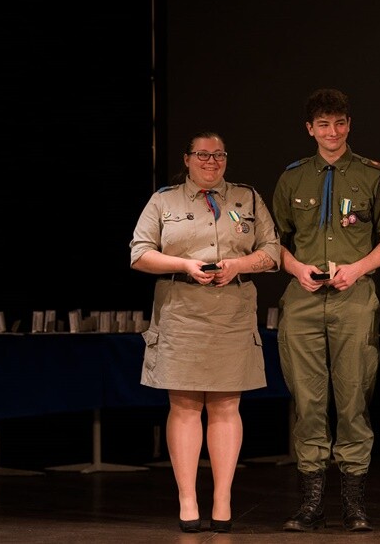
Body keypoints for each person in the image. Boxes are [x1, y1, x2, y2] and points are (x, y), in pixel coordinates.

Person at [129, 131, 281, 534]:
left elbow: (272, 252)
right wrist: (185, 265)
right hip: (181, 311)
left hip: (232, 311)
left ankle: (222, 499)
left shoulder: (247, 198)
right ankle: (188, 500)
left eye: (218, 155)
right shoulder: (164, 200)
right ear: (187, 159)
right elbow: (139, 254)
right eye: (203, 155)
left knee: (226, 406)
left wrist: (238, 266)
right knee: (184, 406)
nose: (211, 162)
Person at [272, 88, 380, 532]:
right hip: (303, 300)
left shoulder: (372, 174)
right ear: (310, 129)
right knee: (308, 402)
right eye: (323, 124)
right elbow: (273, 242)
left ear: (349, 125)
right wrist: (297, 269)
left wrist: (357, 268)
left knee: (353, 399)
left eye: (340, 123)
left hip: (354, 298)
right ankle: (310, 504)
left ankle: (354, 504)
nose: (333, 132)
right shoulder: (292, 178)